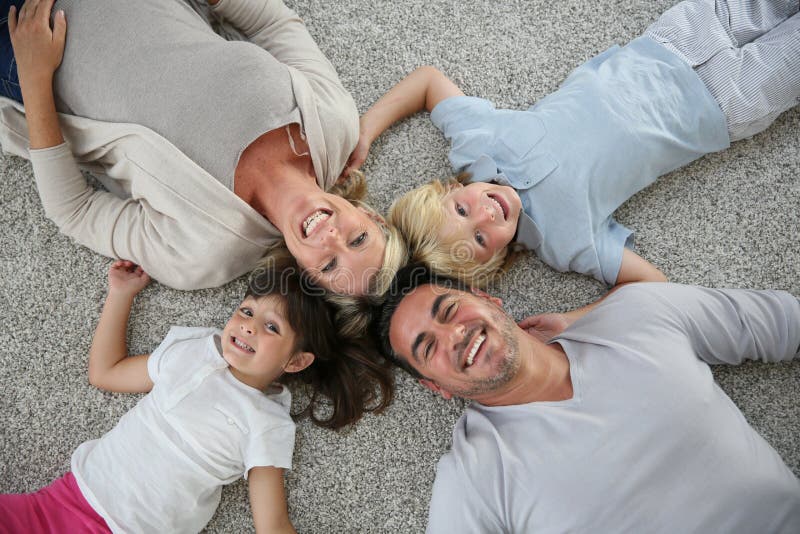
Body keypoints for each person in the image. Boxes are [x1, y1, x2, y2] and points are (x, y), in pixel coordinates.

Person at [352, 0, 800, 288]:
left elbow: (428, 82)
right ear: (495, 260)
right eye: (482, 237)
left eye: (462, 211)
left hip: (673, 41)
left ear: (450, 189)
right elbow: (651, 286)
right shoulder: (565, 244)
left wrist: (366, 131)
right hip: (725, 104)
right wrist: (573, 322)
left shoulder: (476, 143)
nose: (486, 214)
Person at [0, 0, 406, 295]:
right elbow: (274, 25)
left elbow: (74, 211)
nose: (331, 237)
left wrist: (34, 76)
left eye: (329, 265)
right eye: (358, 239)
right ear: (371, 217)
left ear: (305, 274)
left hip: (21, 42)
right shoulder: (334, 123)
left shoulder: (203, 254)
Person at [375, 264, 800, 532]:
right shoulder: (473, 477)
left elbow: (784, 323)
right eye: (428, 348)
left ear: (488, 299)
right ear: (436, 387)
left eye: (450, 310)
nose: (454, 335)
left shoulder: (638, 314)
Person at [0, 258, 393, 533]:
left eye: (272, 327)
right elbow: (106, 372)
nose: (249, 326)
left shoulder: (266, 423)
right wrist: (121, 294)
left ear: (296, 361)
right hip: (56, 502)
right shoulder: (192, 350)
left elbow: (272, 524)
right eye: (246, 311)